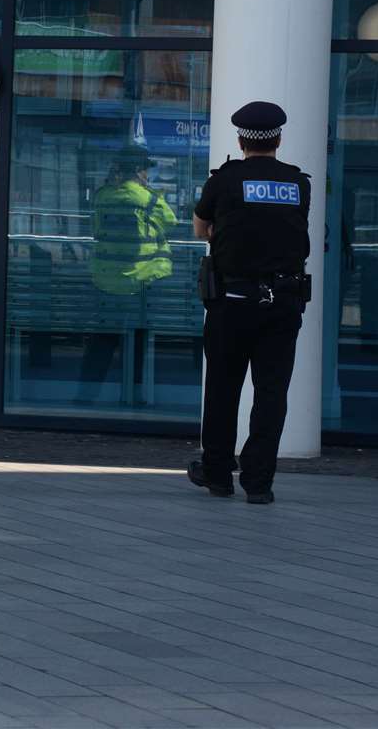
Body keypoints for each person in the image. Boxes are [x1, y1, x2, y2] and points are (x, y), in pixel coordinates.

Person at [188, 101, 310, 505]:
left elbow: (200, 228)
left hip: (232, 302)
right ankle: (259, 482)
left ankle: (218, 474)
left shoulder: (224, 181)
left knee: (223, 388)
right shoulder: (298, 184)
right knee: (271, 393)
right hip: (283, 302)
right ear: (278, 139)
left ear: (241, 139)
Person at [80, 144, 177, 404]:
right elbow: (172, 221)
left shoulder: (102, 196)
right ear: (137, 171)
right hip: (140, 280)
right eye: (145, 170)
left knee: (102, 340)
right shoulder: (150, 199)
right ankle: (132, 396)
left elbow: (96, 229)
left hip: (105, 280)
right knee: (137, 339)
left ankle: (86, 395)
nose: (148, 174)